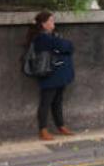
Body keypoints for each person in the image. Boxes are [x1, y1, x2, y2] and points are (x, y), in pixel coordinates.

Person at [25, 11, 75, 141]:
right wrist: (62, 46)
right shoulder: (42, 38)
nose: (54, 23)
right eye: (51, 21)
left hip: (58, 74)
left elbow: (68, 47)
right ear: (43, 24)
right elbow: (66, 46)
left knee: (57, 101)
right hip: (49, 74)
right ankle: (43, 130)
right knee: (46, 102)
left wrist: (62, 47)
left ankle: (61, 126)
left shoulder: (52, 36)